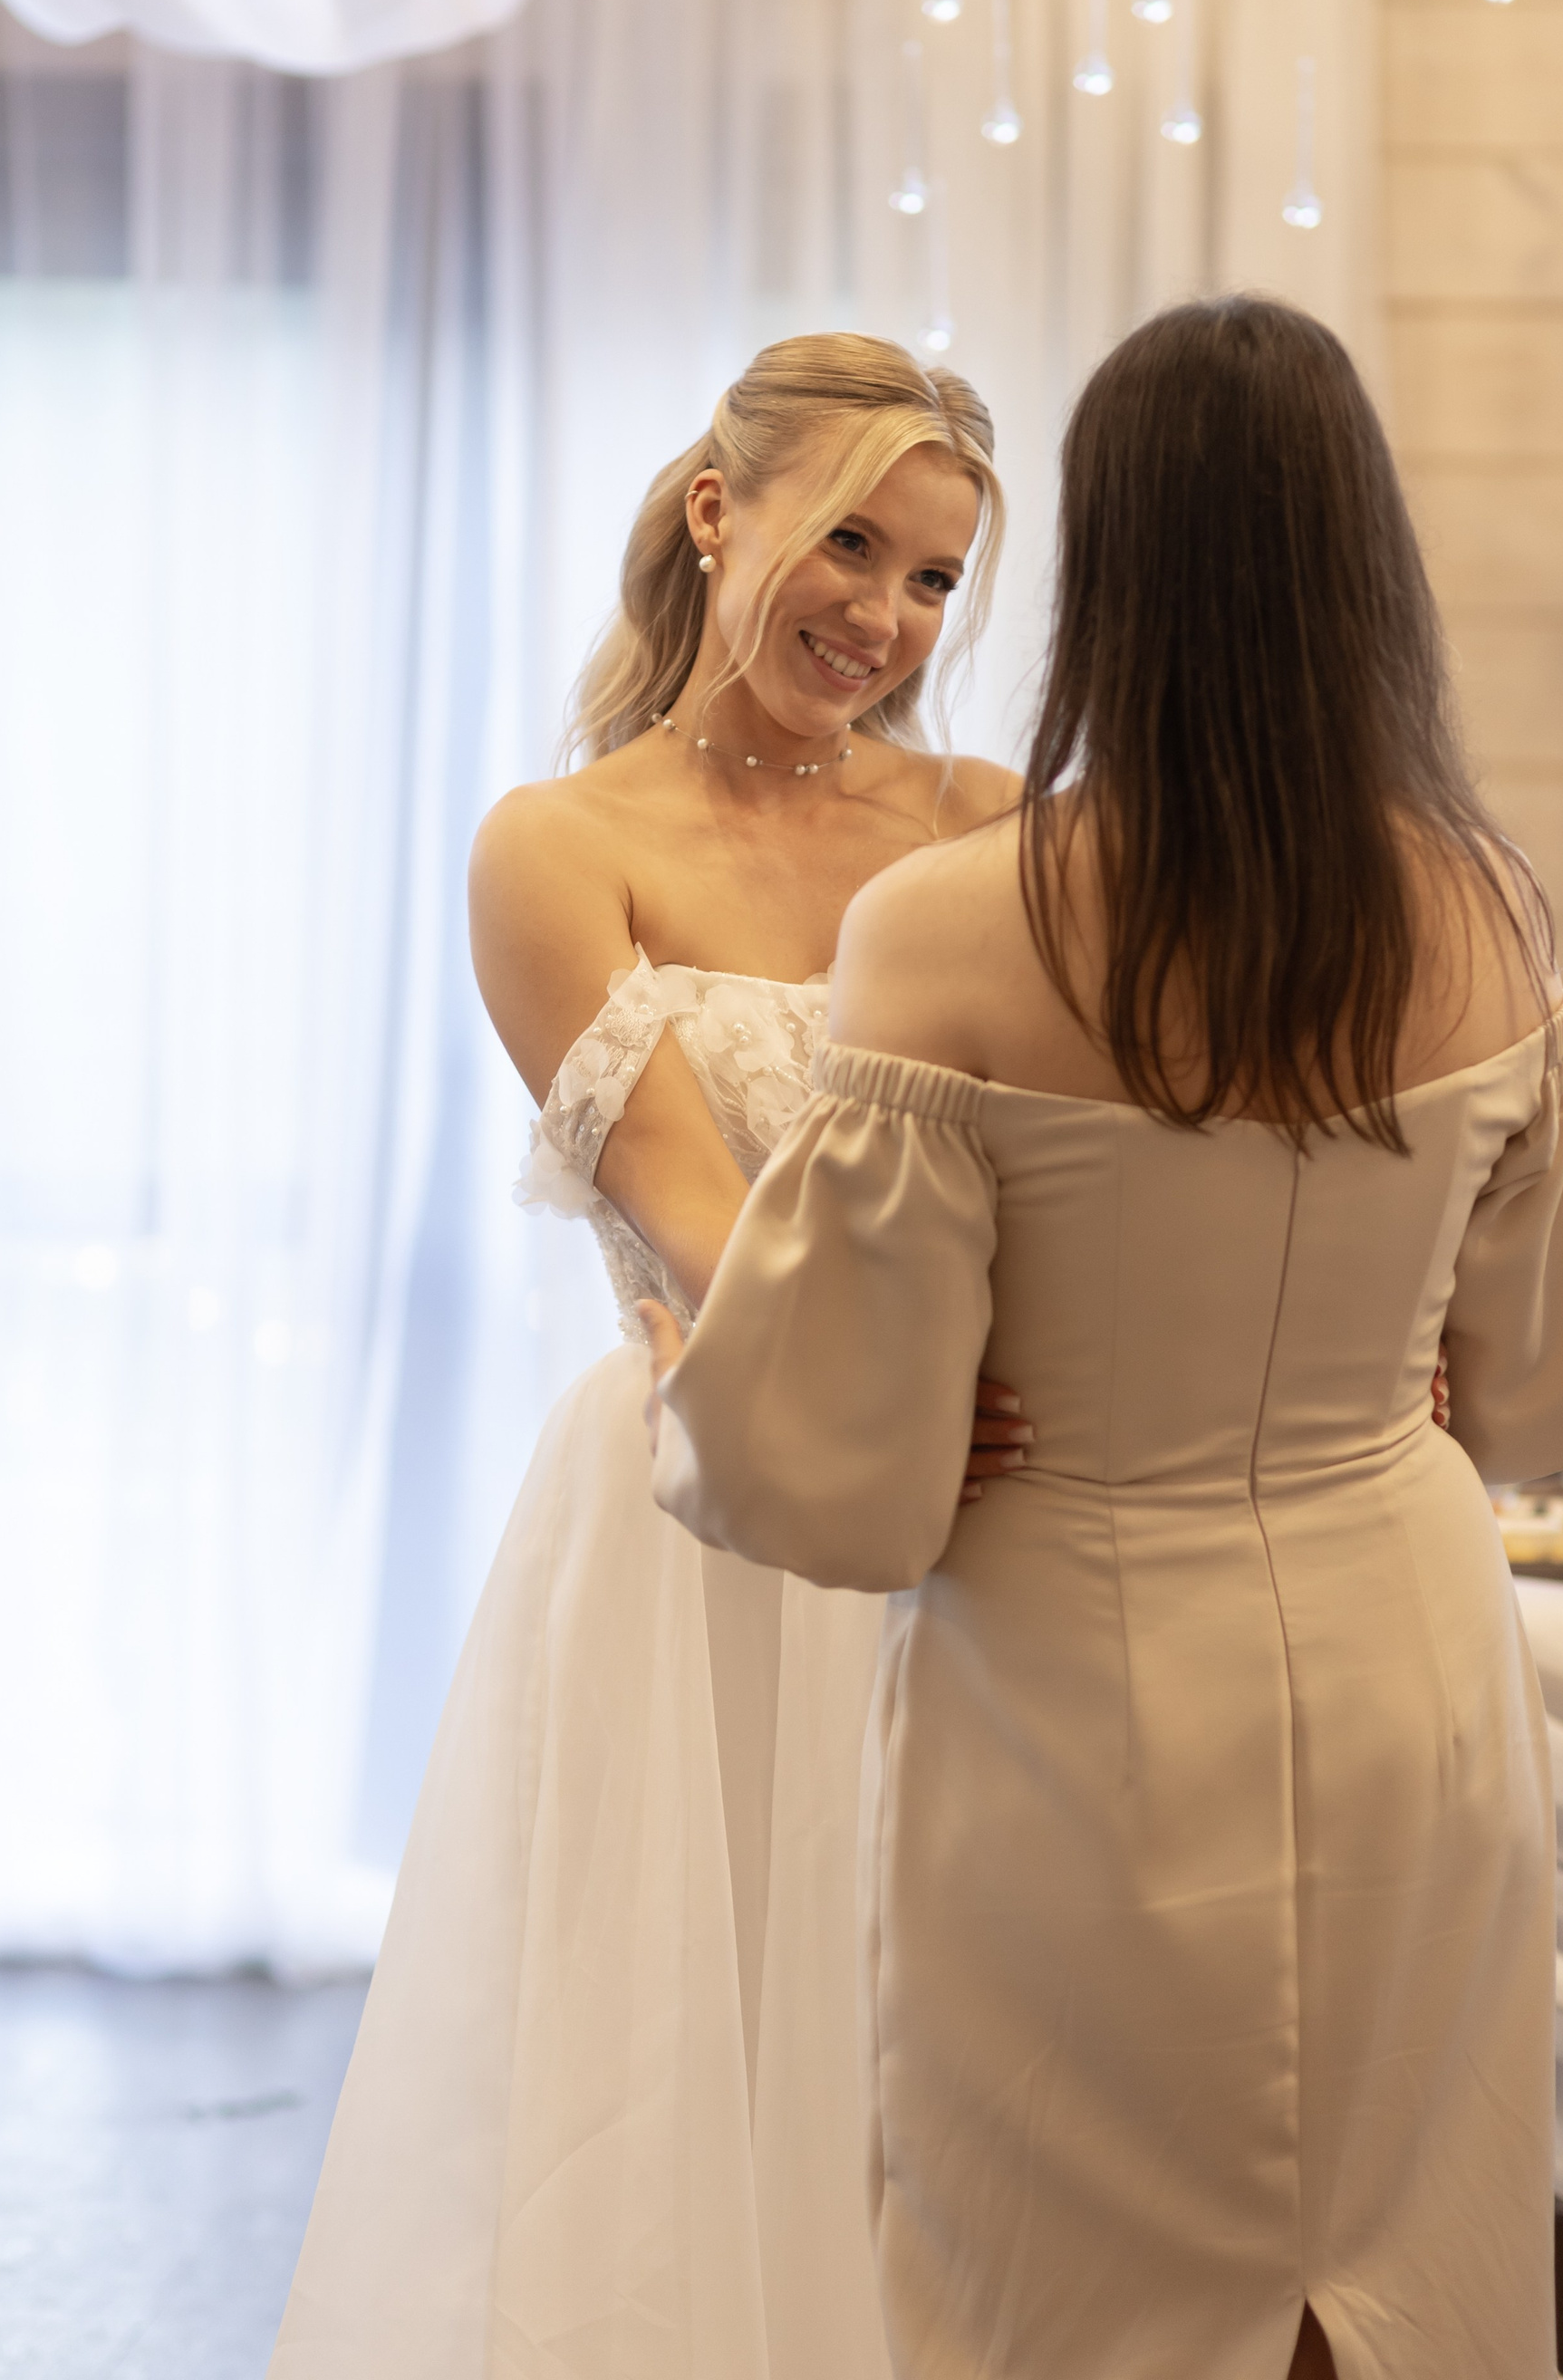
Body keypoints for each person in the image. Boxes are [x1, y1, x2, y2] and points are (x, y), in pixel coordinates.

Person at [646, 294, 1563, 2380]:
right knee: (1397, 2247)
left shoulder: (945, 928)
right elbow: (1547, 1388)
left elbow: (845, 1471)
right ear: (1367, 560)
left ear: (1106, 561)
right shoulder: (1489, 917)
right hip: (1410, 1661)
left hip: (1066, 1691)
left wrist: (709, 1380)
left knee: (1048, 2281)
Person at [267, 333, 1024, 2380]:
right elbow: (705, 1218)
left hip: (978, 1496)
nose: (885, 615)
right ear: (717, 511)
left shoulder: (988, 825)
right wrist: (920, 1377)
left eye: (935, 577)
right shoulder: (554, 845)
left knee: (939, 2056)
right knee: (683, 2057)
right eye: (850, 543)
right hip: (705, 1505)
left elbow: (1091, 1165)